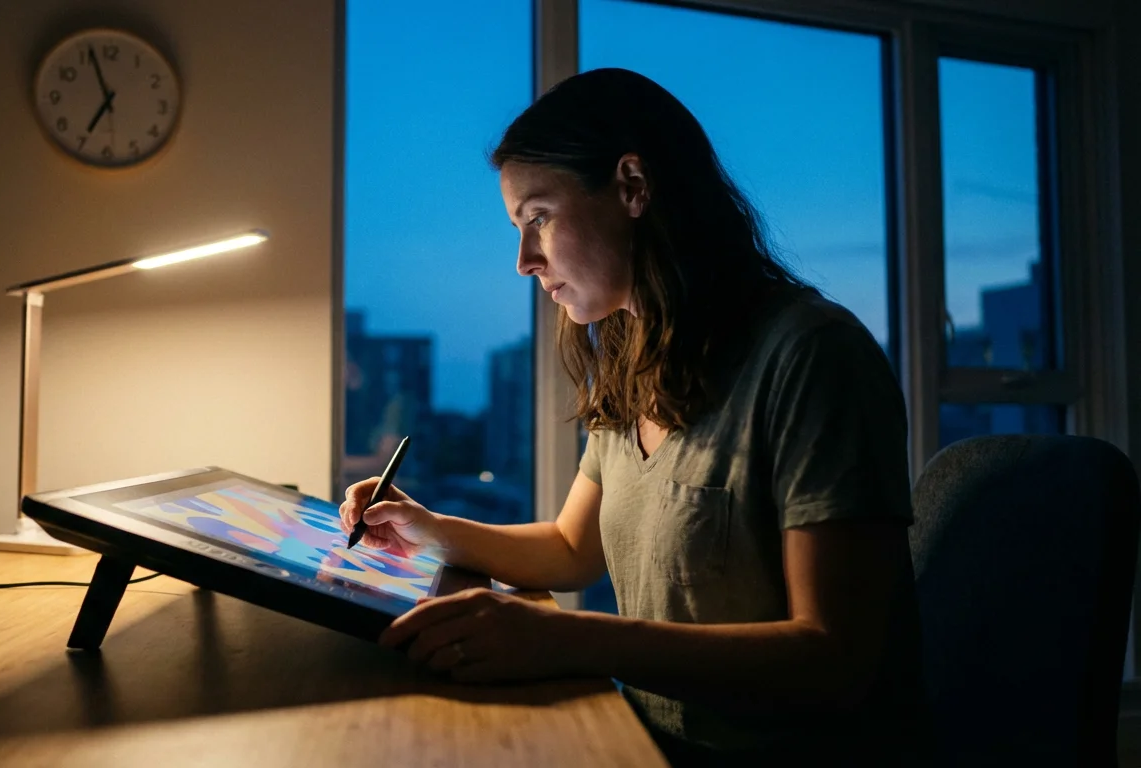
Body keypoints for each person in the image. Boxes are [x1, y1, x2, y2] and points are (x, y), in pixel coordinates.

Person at [339, 68, 927, 766]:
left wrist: (565, 639)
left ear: (632, 187)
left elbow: (833, 660)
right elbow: (570, 548)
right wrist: (430, 529)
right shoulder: (633, 361)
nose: (525, 261)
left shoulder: (814, 357)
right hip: (647, 740)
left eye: (538, 218)